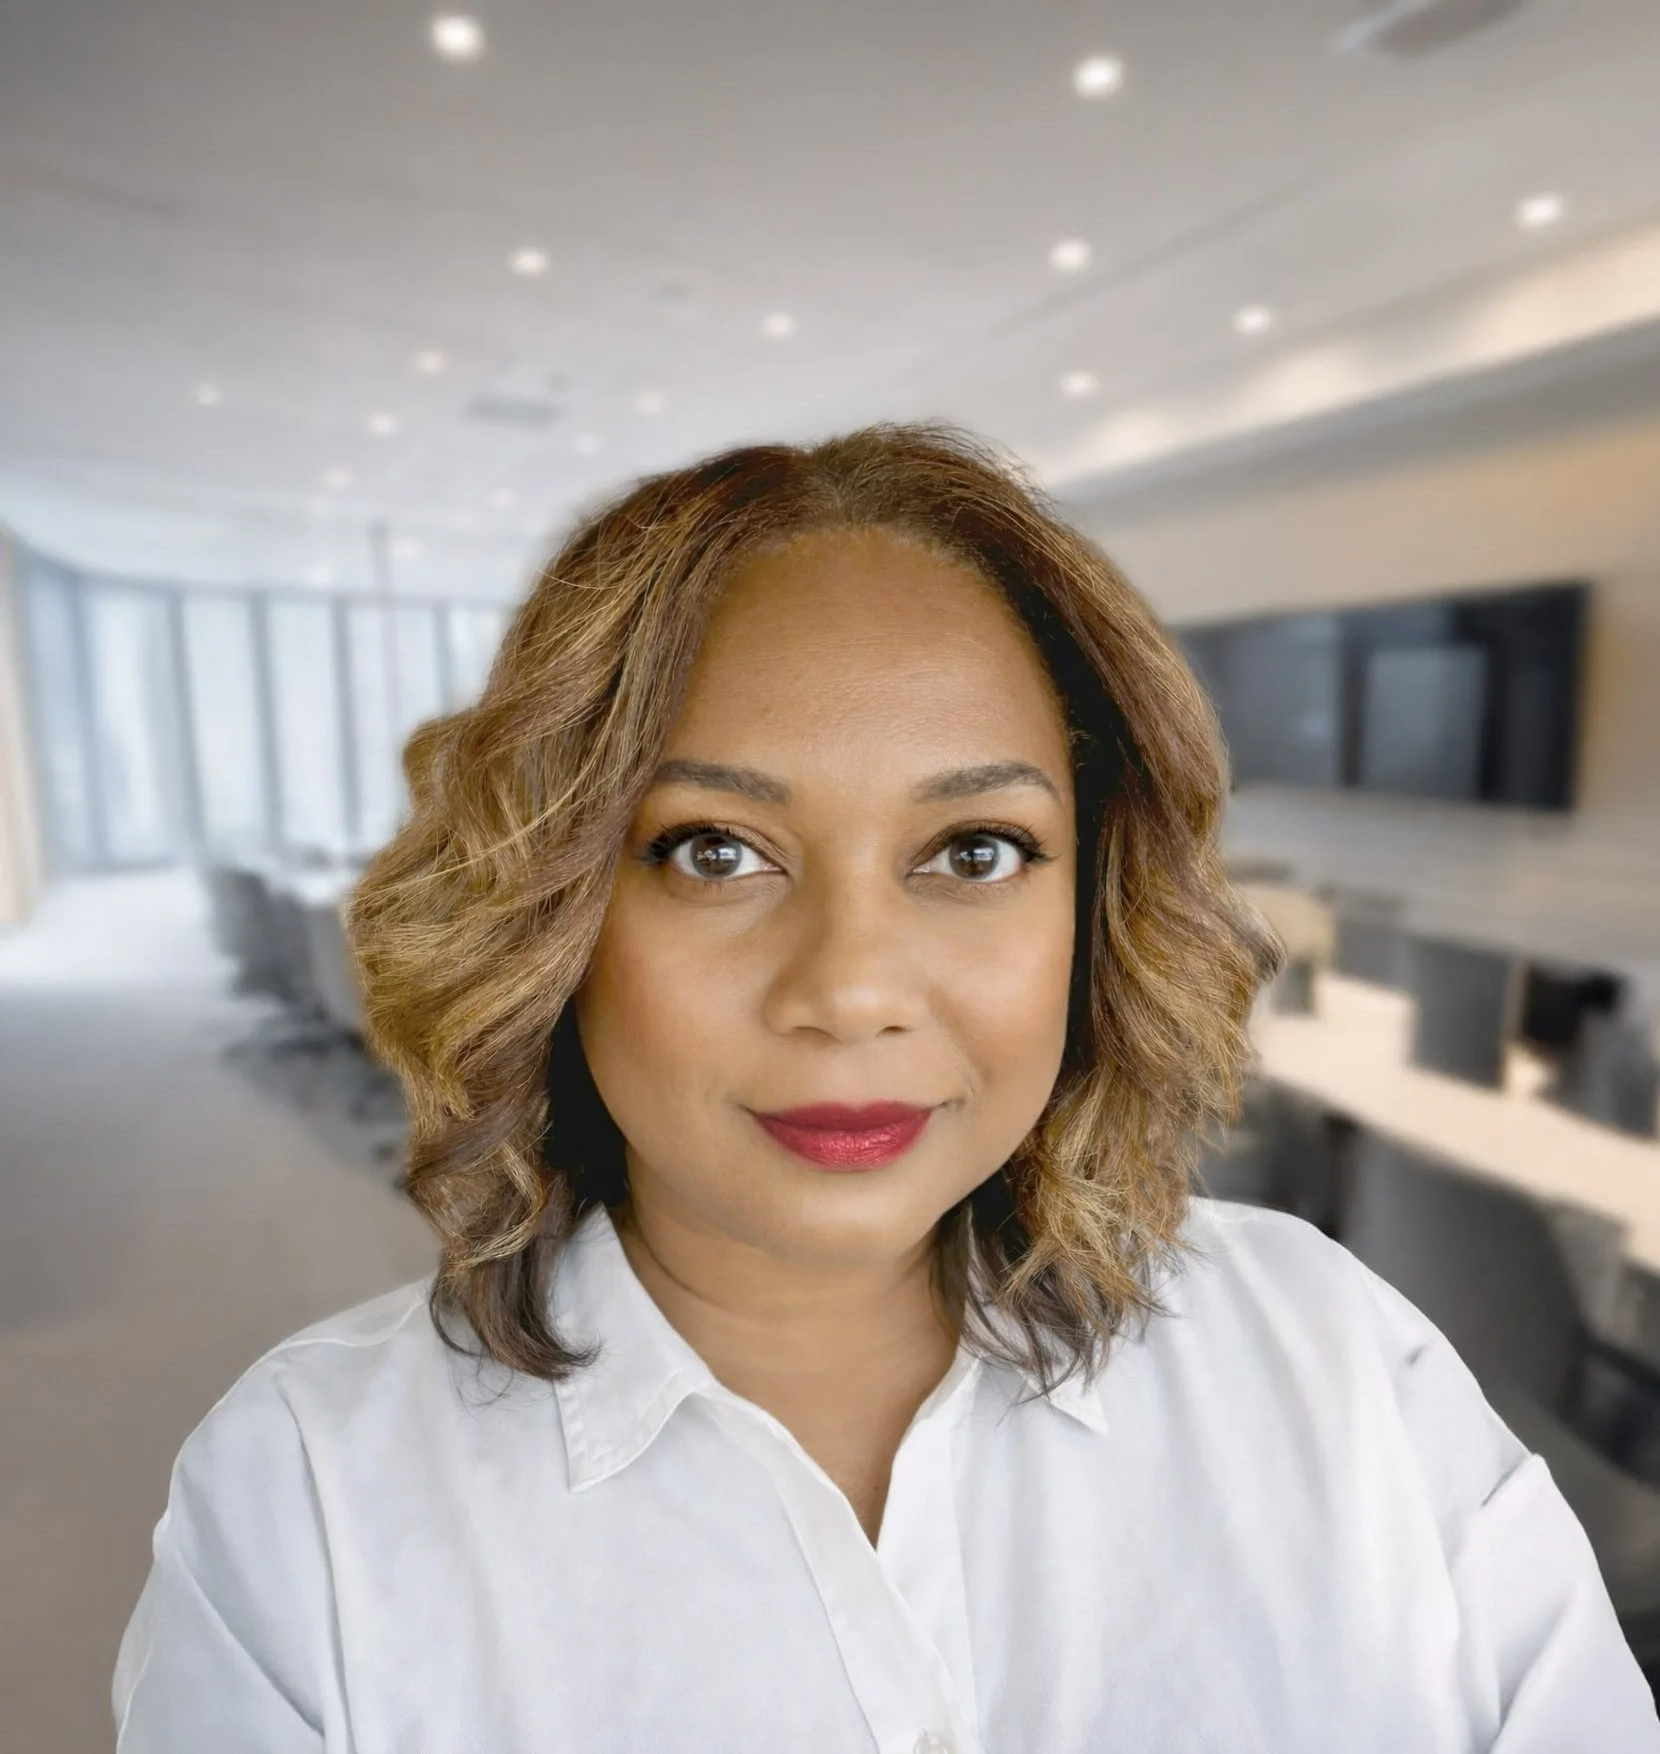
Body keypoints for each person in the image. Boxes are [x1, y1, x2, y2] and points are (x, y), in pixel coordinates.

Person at [111, 425, 1659, 1752]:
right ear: (555, 909)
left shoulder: (1334, 1365)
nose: (851, 988)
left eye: (973, 852)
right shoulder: (309, 1496)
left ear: (1092, 902)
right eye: (713, 851)